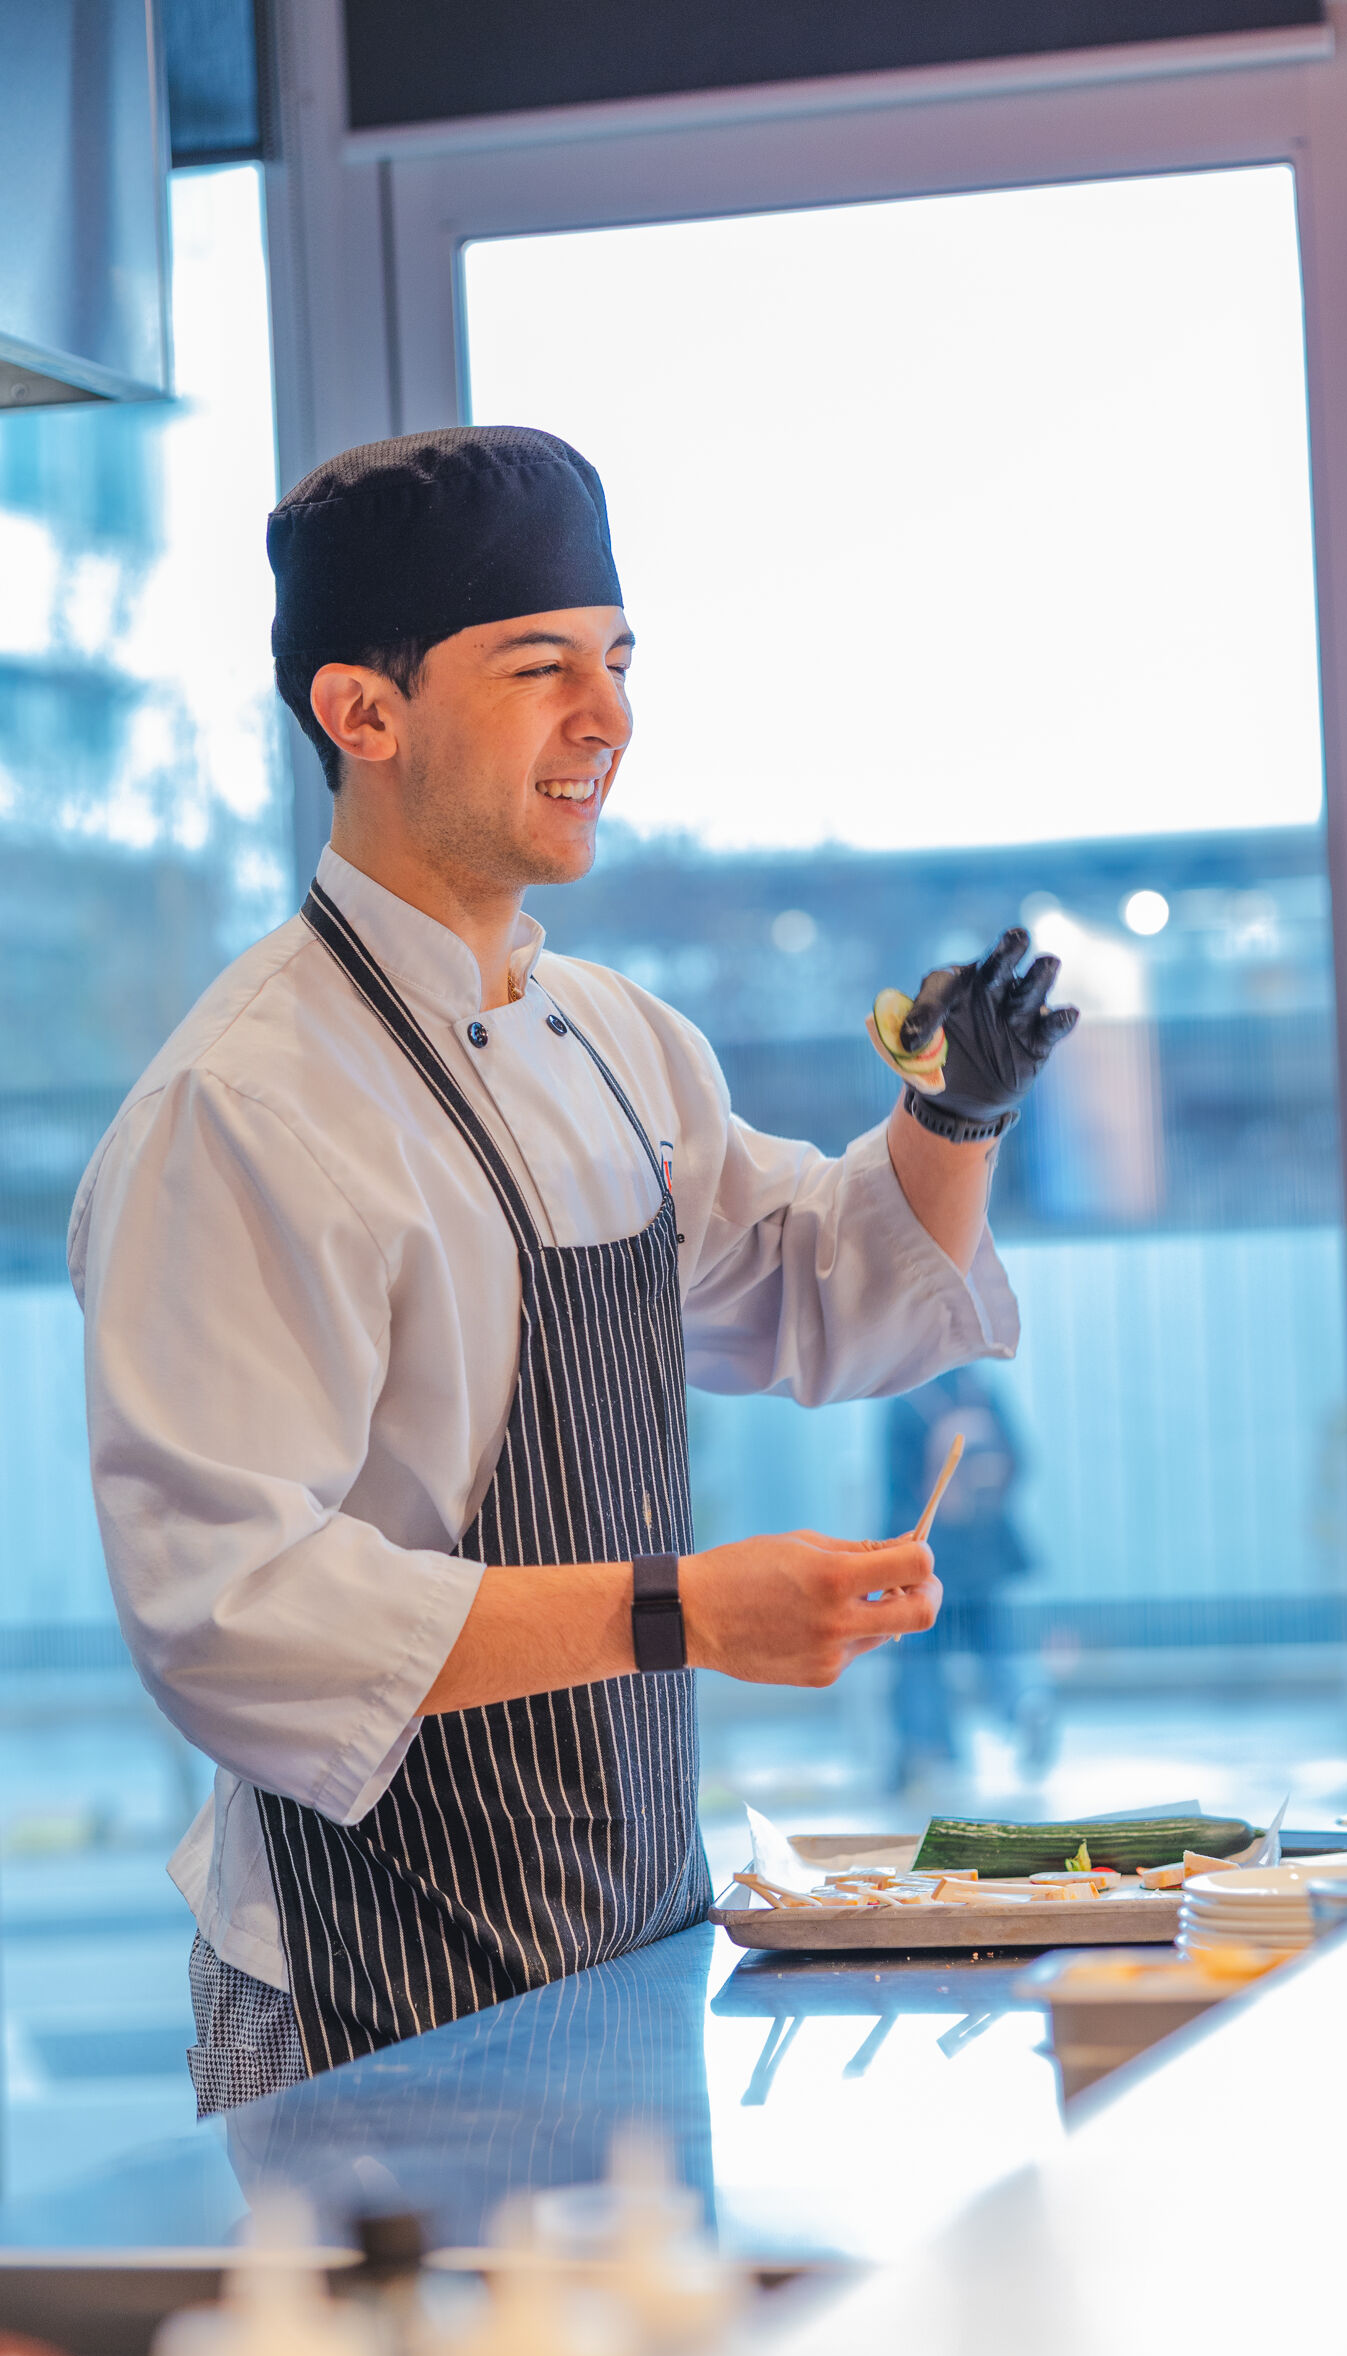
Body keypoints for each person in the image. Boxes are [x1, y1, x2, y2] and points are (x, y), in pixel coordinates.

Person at [67, 427, 1076, 2113]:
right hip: (356, 1983)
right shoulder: (235, 1106)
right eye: (540, 668)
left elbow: (814, 1281)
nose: (605, 718)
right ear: (361, 711)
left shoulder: (610, 1039)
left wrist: (951, 1111)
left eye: (615, 663)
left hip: (621, 1940)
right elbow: (231, 1614)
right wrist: (680, 1608)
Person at [884, 1369, 1052, 1792]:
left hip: (931, 1557)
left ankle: (928, 1747)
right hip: (984, 1550)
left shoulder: (902, 1402)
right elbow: (1020, 1459)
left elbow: (897, 1489)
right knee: (996, 1644)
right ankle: (1024, 1703)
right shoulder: (979, 1391)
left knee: (920, 1653)